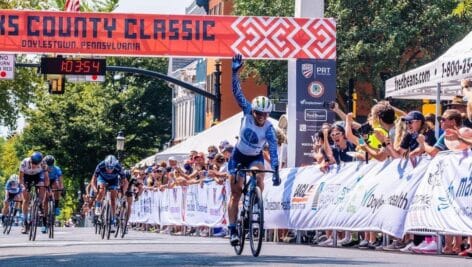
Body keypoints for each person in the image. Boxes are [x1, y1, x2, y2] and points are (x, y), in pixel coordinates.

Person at [227, 54, 280, 246]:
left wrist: (276, 171)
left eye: (265, 114)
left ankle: (255, 201)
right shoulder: (247, 110)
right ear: (253, 111)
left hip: (255, 156)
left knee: (259, 175)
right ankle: (233, 229)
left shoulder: (269, 129)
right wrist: (234, 73)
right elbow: (236, 92)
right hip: (238, 155)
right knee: (235, 192)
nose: (261, 117)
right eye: (258, 113)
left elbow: (273, 150)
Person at [91, 155, 124, 232]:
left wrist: (122, 190)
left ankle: (112, 222)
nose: (109, 170)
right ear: (105, 164)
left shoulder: (118, 167)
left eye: (111, 168)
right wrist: (95, 190)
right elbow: (93, 181)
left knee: (113, 200)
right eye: (107, 168)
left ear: (114, 166)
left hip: (113, 180)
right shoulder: (100, 165)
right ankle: (98, 206)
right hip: (102, 179)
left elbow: (124, 181)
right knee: (101, 191)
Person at [19, 151, 49, 234]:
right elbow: (20, 178)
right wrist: (23, 187)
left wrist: (46, 185)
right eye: (32, 163)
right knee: (25, 199)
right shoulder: (24, 163)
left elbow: (46, 178)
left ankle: (40, 203)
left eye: (36, 164)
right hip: (26, 176)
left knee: (42, 186)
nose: (34, 165)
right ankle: (25, 222)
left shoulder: (43, 164)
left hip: (38, 176)